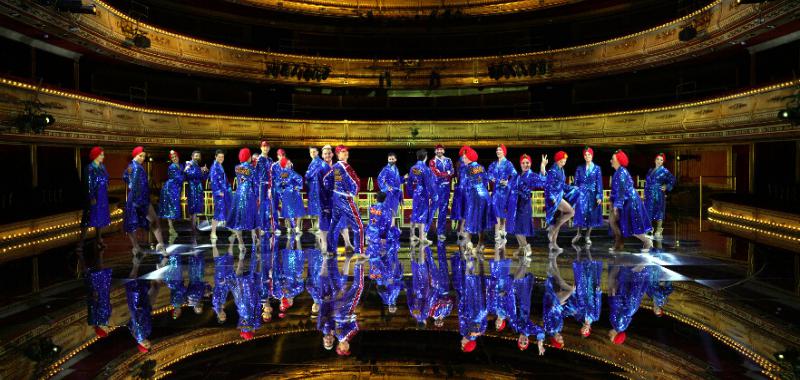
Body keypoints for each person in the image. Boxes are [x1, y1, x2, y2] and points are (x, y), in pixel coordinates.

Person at [123, 146, 166, 256]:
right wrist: (130, 182)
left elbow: (126, 177)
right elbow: (126, 178)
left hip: (143, 199)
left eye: (143, 156)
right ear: (135, 155)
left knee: (154, 220)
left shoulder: (135, 166)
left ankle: (160, 244)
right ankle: (136, 247)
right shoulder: (133, 166)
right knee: (132, 223)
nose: (142, 158)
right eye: (140, 156)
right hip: (136, 199)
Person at [609, 150, 653, 252]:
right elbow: (616, 191)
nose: (611, 160)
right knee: (615, 222)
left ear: (618, 161)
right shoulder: (618, 172)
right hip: (626, 201)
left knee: (630, 225)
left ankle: (647, 241)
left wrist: (617, 205)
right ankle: (619, 243)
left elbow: (622, 190)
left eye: (613, 159)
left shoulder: (622, 172)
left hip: (630, 202)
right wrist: (613, 202)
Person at [324, 145, 364, 257]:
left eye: (346, 151)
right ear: (338, 154)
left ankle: (330, 250)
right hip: (345, 198)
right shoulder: (344, 166)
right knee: (359, 225)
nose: (345, 153)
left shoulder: (336, 166)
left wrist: (334, 190)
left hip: (337, 197)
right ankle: (359, 252)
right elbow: (356, 181)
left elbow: (326, 179)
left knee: (334, 224)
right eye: (342, 151)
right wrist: (353, 193)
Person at [506, 154, 547, 258]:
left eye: (527, 163)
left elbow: (543, 182)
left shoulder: (532, 175)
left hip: (524, 205)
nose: (525, 165)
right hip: (514, 204)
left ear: (530, 163)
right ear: (520, 164)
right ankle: (521, 248)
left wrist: (542, 168)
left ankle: (526, 246)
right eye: (523, 163)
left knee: (519, 228)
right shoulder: (518, 176)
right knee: (515, 227)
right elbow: (510, 186)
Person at [607, 260, 650, 345]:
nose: (609, 336)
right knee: (630, 274)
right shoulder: (619, 325)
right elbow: (618, 308)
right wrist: (614, 296)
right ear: (616, 336)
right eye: (611, 338)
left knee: (630, 273)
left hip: (624, 297)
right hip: (623, 295)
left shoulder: (619, 326)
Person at [509, 255, 546, 355]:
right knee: (520, 280)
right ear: (528, 341)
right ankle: (525, 259)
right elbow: (540, 331)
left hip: (515, 300)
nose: (523, 340)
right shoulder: (530, 330)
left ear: (518, 340)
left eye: (521, 342)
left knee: (516, 280)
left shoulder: (515, 328)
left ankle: (524, 258)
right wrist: (540, 343)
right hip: (524, 303)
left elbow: (511, 312)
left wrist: (509, 298)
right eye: (525, 342)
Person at [459, 146, 493, 256]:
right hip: (484, 195)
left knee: (469, 219)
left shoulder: (466, 169)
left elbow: (463, 184)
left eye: (464, 157)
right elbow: (486, 179)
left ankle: (469, 245)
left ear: (469, 157)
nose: (463, 159)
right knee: (481, 220)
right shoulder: (481, 167)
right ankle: (481, 244)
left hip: (473, 195)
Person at [78, 146, 111, 252]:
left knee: (100, 218)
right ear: (95, 155)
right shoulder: (89, 168)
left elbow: (106, 178)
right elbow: (88, 184)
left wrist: (106, 185)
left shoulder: (103, 167)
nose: (103, 156)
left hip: (102, 196)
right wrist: (91, 196)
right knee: (88, 218)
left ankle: (99, 240)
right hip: (94, 196)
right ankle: (80, 243)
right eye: (101, 154)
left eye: (103, 154)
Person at [542, 252, 576, 350]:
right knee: (555, 277)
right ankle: (552, 256)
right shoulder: (559, 329)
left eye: (559, 339)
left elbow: (547, 314)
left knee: (570, 290)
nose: (561, 337)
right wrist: (570, 312)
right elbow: (560, 315)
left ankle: (552, 255)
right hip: (557, 303)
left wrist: (557, 306)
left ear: (554, 340)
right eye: (562, 339)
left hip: (552, 301)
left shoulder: (550, 329)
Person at [228, 148, 258, 256]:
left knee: (238, 218)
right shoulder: (252, 168)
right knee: (251, 216)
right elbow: (255, 181)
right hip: (249, 194)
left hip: (239, 193)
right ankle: (254, 240)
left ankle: (241, 243)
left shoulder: (237, 167)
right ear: (249, 156)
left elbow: (244, 177)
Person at [544, 151, 576, 253]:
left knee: (558, 219)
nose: (565, 161)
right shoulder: (553, 171)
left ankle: (553, 243)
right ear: (558, 159)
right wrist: (552, 198)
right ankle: (552, 229)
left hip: (559, 196)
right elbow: (547, 186)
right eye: (563, 159)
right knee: (571, 212)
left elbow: (562, 185)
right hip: (554, 199)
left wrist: (572, 187)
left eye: (566, 159)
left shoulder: (561, 170)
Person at [572, 147, 604, 246]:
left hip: (593, 195)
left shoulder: (597, 168)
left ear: (592, 155)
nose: (587, 156)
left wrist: (599, 196)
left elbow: (599, 183)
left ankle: (587, 236)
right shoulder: (579, 168)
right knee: (580, 213)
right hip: (581, 194)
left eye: (589, 154)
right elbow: (576, 183)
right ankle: (578, 234)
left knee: (591, 214)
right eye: (585, 155)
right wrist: (575, 194)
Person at [488, 144, 518, 247]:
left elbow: (514, 175)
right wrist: (491, 178)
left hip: (505, 192)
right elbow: (489, 173)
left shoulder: (508, 164)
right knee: (496, 211)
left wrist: (508, 182)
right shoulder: (494, 164)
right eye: (497, 150)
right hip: (496, 191)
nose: (498, 151)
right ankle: (497, 235)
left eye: (500, 150)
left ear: (504, 151)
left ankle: (503, 234)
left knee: (503, 213)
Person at [406, 149, 437, 246]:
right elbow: (428, 183)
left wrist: (410, 192)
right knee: (423, 215)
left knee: (415, 213)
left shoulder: (413, 168)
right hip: (423, 193)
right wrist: (433, 194)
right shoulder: (425, 169)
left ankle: (412, 235)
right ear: (425, 157)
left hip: (416, 192)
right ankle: (422, 237)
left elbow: (410, 182)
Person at [644, 153, 676, 240]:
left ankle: (658, 230)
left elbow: (673, 179)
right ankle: (649, 230)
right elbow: (647, 183)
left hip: (658, 193)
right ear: (655, 160)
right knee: (648, 211)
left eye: (661, 160)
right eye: (658, 159)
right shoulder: (650, 170)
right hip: (649, 193)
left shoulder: (664, 171)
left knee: (659, 211)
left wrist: (667, 186)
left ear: (663, 162)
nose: (659, 161)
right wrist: (645, 193)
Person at [429, 144, 454, 240]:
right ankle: (425, 232)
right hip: (436, 188)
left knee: (443, 210)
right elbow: (436, 174)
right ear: (435, 151)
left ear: (443, 150)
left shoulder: (448, 160)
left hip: (446, 188)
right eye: (437, 149)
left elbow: (452, 171)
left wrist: (446, 173)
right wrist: (446, 173)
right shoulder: (432, 161)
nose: (439, 151)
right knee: (432, 209)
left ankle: (441, 232)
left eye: (441, 149)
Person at [276, 157, 306, 234]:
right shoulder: (283, 173)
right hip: (288, 194)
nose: (289, 164)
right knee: (288, 211)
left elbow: (300, 179)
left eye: (290, 162)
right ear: (284, 165)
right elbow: (278, 185)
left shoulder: (291, 172)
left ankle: (297, 228)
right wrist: (282, 192)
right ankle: (290, 228)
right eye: (287, 163)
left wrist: (298, 187)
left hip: (294, 194)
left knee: (298, 210)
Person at [158, 150, 184, 236]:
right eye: (172, 158)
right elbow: (179, 178)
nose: (174, 158)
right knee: (170, 208)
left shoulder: (180, 165)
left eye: (175, 157)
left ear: (178, 157)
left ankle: (172, 228)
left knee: (174, 208)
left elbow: (184, 176)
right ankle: (171, 228)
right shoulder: (172, 167)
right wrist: (185, 171)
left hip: (175, 189)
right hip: (169, 189)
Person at [184, 151, 209, 231]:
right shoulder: (189, 164)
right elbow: (188, 174)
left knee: (195, 209)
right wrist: (200, 171)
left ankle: (193, 227)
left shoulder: (197, 166)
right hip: (192, 189)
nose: (197, 157)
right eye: (196, 156)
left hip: (198, 189)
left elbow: (204, 178)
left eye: (199, 156)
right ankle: (193, 228)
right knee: (193, 209)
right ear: (192, 156)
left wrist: (205, 171)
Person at [210, 150, 231, 240]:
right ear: (215, 156)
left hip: (224, 191)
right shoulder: (215, 167)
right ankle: (213, 232)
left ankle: (230, 227)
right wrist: (218, 191)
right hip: (219, 193)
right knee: (218, 211)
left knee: (227, 209)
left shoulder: (220, 166)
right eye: (219, 157)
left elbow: (223, 179)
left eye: (222, 157)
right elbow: (213, 181)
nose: (221, 158)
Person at [255, 141, 275, 235]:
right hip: (262, 185)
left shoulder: (270, 159)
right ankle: (262, 226)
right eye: (264, 147)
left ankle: (268, 225)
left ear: (269, 148)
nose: (265, 148)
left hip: (270, 185)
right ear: (261, 148)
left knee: (269, 205)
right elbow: (255, 175)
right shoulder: (259, 159)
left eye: (267, 147)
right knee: (263, 205)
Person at [305, 146, 326, 230]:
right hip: (313, 186)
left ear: (317, 152)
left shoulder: (318, 162)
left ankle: (320, 226)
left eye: (314, 152)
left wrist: (307, 174)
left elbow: (309, 174)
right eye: (311, 152)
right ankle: (315, 225)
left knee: (318, 205)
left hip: (317, 186)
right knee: (315, 206)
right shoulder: (313, 161)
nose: (312, 153)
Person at [377, 152, 402, 222]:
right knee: (388, 211)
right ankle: (387, 230)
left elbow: (397, 180)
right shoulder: (385, 169)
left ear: (395, 160)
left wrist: (404, 179)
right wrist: (386, 187)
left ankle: (392, 228)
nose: (391, 160)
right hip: (388, 194)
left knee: (394, 211)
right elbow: (380, 179)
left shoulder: (396, 169)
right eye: (389, 159)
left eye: (392, 159)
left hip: (395, 194)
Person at [270, 149, 287, 234]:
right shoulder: (274, 165)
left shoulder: (288, 164)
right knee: (274, 209)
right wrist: (270, 189)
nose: (281, 157)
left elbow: (291, 176)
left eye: (283, 155)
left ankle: (291, 226)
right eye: (280, 155)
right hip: (275, 189)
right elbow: (270, 178)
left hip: (285, 189)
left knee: (288, 207)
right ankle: (275, 227)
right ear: (277, 156)